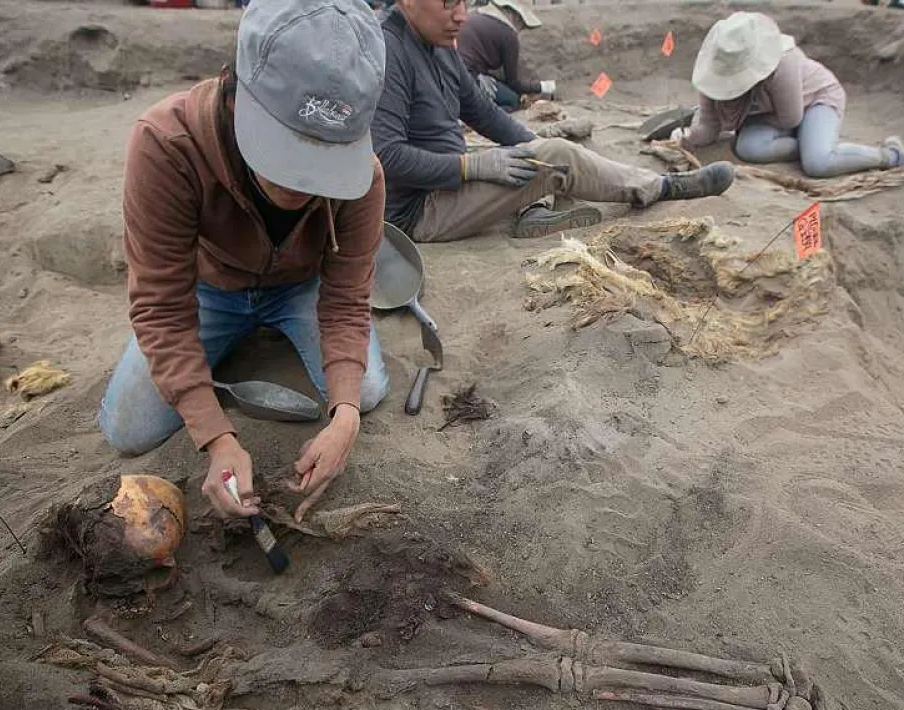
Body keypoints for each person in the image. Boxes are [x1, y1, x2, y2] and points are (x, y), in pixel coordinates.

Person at [99, 0, 389, 523]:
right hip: (209, 290)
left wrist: (345, 418)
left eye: (323, 160)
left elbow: (347, 298)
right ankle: (229, 345)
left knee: (364, 392)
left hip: (301, 287)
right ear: (236, 90)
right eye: (288, 152)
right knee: (130, 429)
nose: (302, 184)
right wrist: (217, 438)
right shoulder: (166, 145)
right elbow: (161, 307)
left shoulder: (364, 178)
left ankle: (270, 342)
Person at [372, 0, 736, 243]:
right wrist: (471, 166)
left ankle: (534, 211)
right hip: (418, 212)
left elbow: (482, 112)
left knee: (540, 152)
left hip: (449, 181)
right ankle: (662, 187)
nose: (462, 16)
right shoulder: (389, 50)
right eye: (449, 2)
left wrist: (531, 144)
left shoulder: (439, 44)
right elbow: (385, 157)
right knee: (557, 156)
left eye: (464, 1)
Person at [671, 13, 904, 179]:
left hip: (815, 101)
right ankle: (810, 143)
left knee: (818, 163)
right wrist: (688, 137)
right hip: (770, 115)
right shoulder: (712, 72)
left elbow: (790, 118)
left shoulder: (783, 63)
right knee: (748, 148)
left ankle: (890, 156)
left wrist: (748, 122)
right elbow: (709, 126)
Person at [458, 0, 553, 112]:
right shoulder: (508, 35)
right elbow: (513, 83)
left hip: (455, 70)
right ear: (515, 15)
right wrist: (544, 86)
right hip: (468, 77)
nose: (520, 27)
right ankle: (476, 113)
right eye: (522, 23)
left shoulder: (475, 15)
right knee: (512, 100)